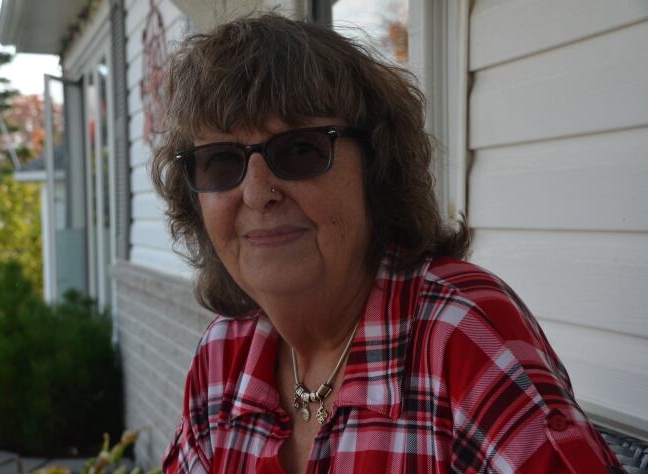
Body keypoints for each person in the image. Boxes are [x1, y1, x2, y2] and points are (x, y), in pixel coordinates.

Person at [152, 13, 623, 474]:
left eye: (300, 150)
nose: (257, 193)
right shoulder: (224, 354)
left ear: (376, 168)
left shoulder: (459, 336)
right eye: (220, 161)